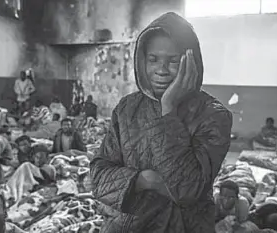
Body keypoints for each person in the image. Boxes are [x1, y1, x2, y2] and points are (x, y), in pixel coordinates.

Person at [90, 12, 232, 233]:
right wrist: (145, 180)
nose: (161, 70)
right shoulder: (127, 109)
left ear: (191, 61)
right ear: (141, 60)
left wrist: (168, 109)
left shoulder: (213, 115)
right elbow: (99, 178)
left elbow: (187, 190)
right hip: (130, 227)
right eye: (153, 59)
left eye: (173, 61)